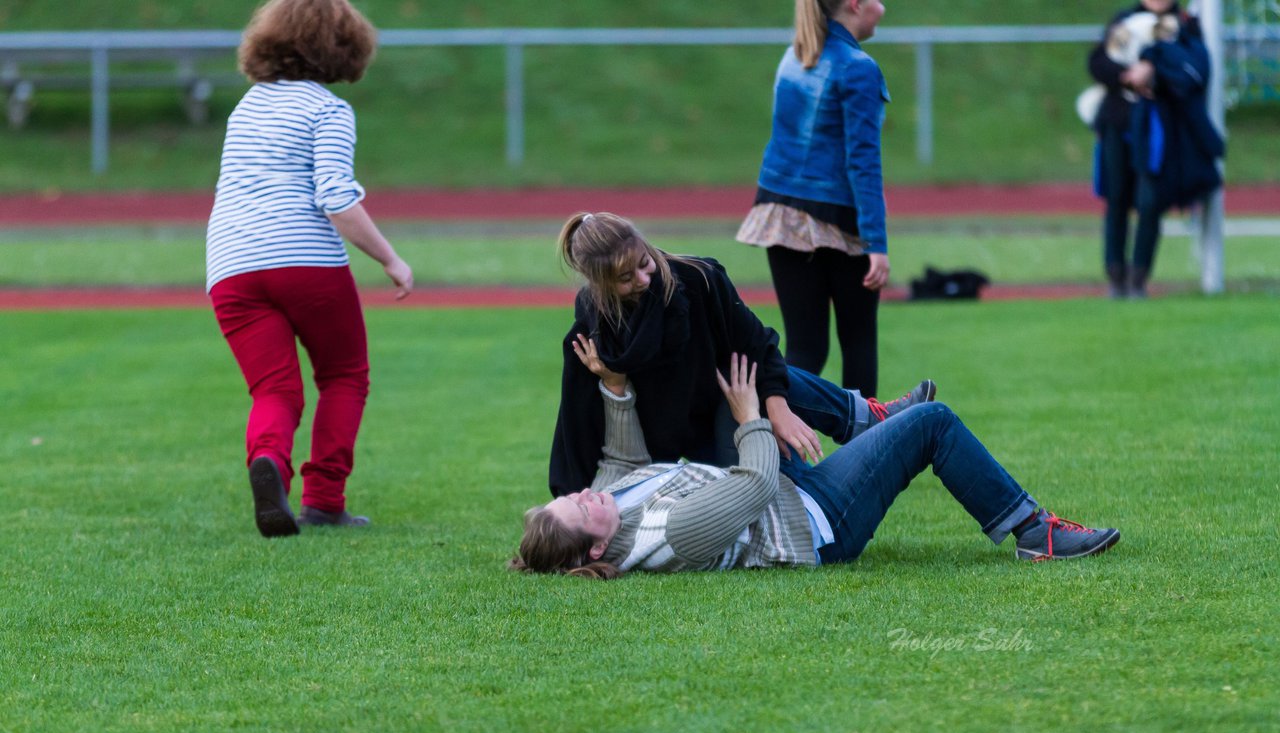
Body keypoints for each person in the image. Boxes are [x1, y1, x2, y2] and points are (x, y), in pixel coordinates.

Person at [513, 350, 1121, 579]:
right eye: (581, 507)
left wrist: (614, 384)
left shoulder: (608, 504)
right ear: (595, 552)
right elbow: (753, 488)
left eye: (573, 495)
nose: (590, 495)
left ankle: (861, 415)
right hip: (816, 520)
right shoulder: (663, 535)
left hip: (779, 485)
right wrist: (753, 414)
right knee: (933, 424)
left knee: (734, 356)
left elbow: (619, 462)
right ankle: (1033, 533)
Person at [206, 0, 413, 538]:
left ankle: (270, 461)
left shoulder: (247, 106)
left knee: (274, 390)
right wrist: (390, 258)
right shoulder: (326, 110)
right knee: (344, 375)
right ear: (343, 48)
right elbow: (336, 198)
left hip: (230, 265)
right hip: (304, 261)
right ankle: (323, 500)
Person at [549, 211, 934, 498]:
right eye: (626, 278)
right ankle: (865, 423)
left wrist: (777, 411)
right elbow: (575, 425)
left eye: (644, 263)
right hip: (664, 465)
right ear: (600, 285)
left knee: (753, 375)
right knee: (785, 494)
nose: (645, 279)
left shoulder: (696, 278)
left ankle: (867, 419)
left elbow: (756, 342)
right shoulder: (592, 335)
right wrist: (573, 506)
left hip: (729, 412)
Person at [737, 0, 891, 397]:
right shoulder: (858, 68)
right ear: (855, 5)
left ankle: (762, 445)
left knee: (805, 349)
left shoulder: (794, 57)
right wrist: (876, 242)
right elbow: (863, 163)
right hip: (833, 220)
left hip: (777, 212)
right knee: (858, 344)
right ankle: (871, 454)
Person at [1087, 0, 1225, 298]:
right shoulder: (1125, 19)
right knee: (1117, 196)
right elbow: (1098, 62)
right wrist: (1127, 76)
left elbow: (1194, 71)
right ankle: (1115, 276)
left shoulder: (1185, 25)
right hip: (1118, 122)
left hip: (1160, 127)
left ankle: (1138, 278)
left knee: (1150, 199)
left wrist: (1154, 72)